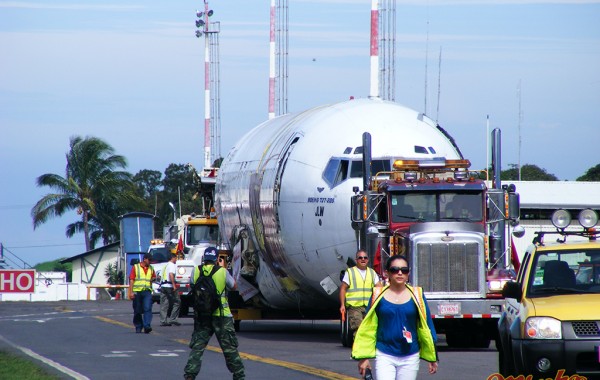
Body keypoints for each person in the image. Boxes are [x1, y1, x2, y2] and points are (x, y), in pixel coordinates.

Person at [352, 255, 438, 380]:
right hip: (385, 354)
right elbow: (367, 328)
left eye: (404, 270)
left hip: (410, 355)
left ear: (408, 273)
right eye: (394, 270)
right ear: (387, 273)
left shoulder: (417, 295)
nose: (399, 273)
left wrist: (433, 356)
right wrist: (363, 358)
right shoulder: (377, 295)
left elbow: (427, 325)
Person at [183, 247, 245, 380]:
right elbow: (234, 286)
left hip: (202, 316)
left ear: (204, 259)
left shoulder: (196, 270)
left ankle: (190, 374)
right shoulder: (222, 272)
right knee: (229, 348)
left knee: (198, 347)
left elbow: (192, 286)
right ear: (217, 259)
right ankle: (239, 375)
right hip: (221, 315)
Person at [339, 250, 381, 341]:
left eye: (365, 258)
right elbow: (343, 288)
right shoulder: (350, 272)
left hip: (368, 306)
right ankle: (358, 350)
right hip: (355, 306)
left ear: (368, 260)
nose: (363, 260)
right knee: (358, 328)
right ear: (356, 260)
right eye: (360, 258)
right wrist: (342, 305)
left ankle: (365, 348)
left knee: (368, 329)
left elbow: (379, 288)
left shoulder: (372, 273)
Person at [128, 252, 156, 334]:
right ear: (144, 259)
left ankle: (147, 325)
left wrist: (154, 279)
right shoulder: (136, 267)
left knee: (147, 308)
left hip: (147, 291)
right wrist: (131, 292)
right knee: (137, 310)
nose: (150, 261)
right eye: (149, 260)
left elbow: (153, 277)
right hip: (137, 292)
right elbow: (132, 280)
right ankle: (138, 326)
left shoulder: (151, 268)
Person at [159, 249, 182, 327]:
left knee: (164, 304)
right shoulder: (172, 265)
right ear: (173, 258)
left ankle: (163, 321)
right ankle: (173, 319)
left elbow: (159, 276)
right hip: (169, 286)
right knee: (177, 301)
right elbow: (171, 275)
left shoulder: (165, 265)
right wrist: (174, 285)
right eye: (175, 258)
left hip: (163, 286)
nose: (176, 260)